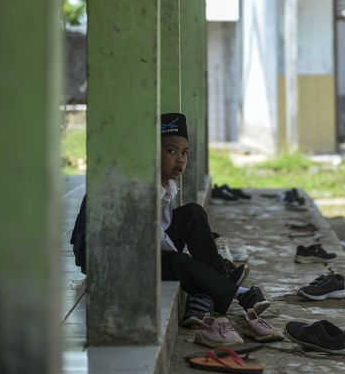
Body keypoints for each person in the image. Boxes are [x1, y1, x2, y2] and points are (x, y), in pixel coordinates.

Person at [70, 112, 269, 319]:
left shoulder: (164, 182)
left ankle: (218, 278)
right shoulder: (139, 183)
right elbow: (156, 238)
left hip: (135, 245)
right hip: (106, 258)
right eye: (171, 151)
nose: (180, 160)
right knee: (176, 261)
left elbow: (160, 228)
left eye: (184, 153)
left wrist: (198, 269)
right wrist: (190, 265)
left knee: (193, 212)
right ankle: (240, 294)